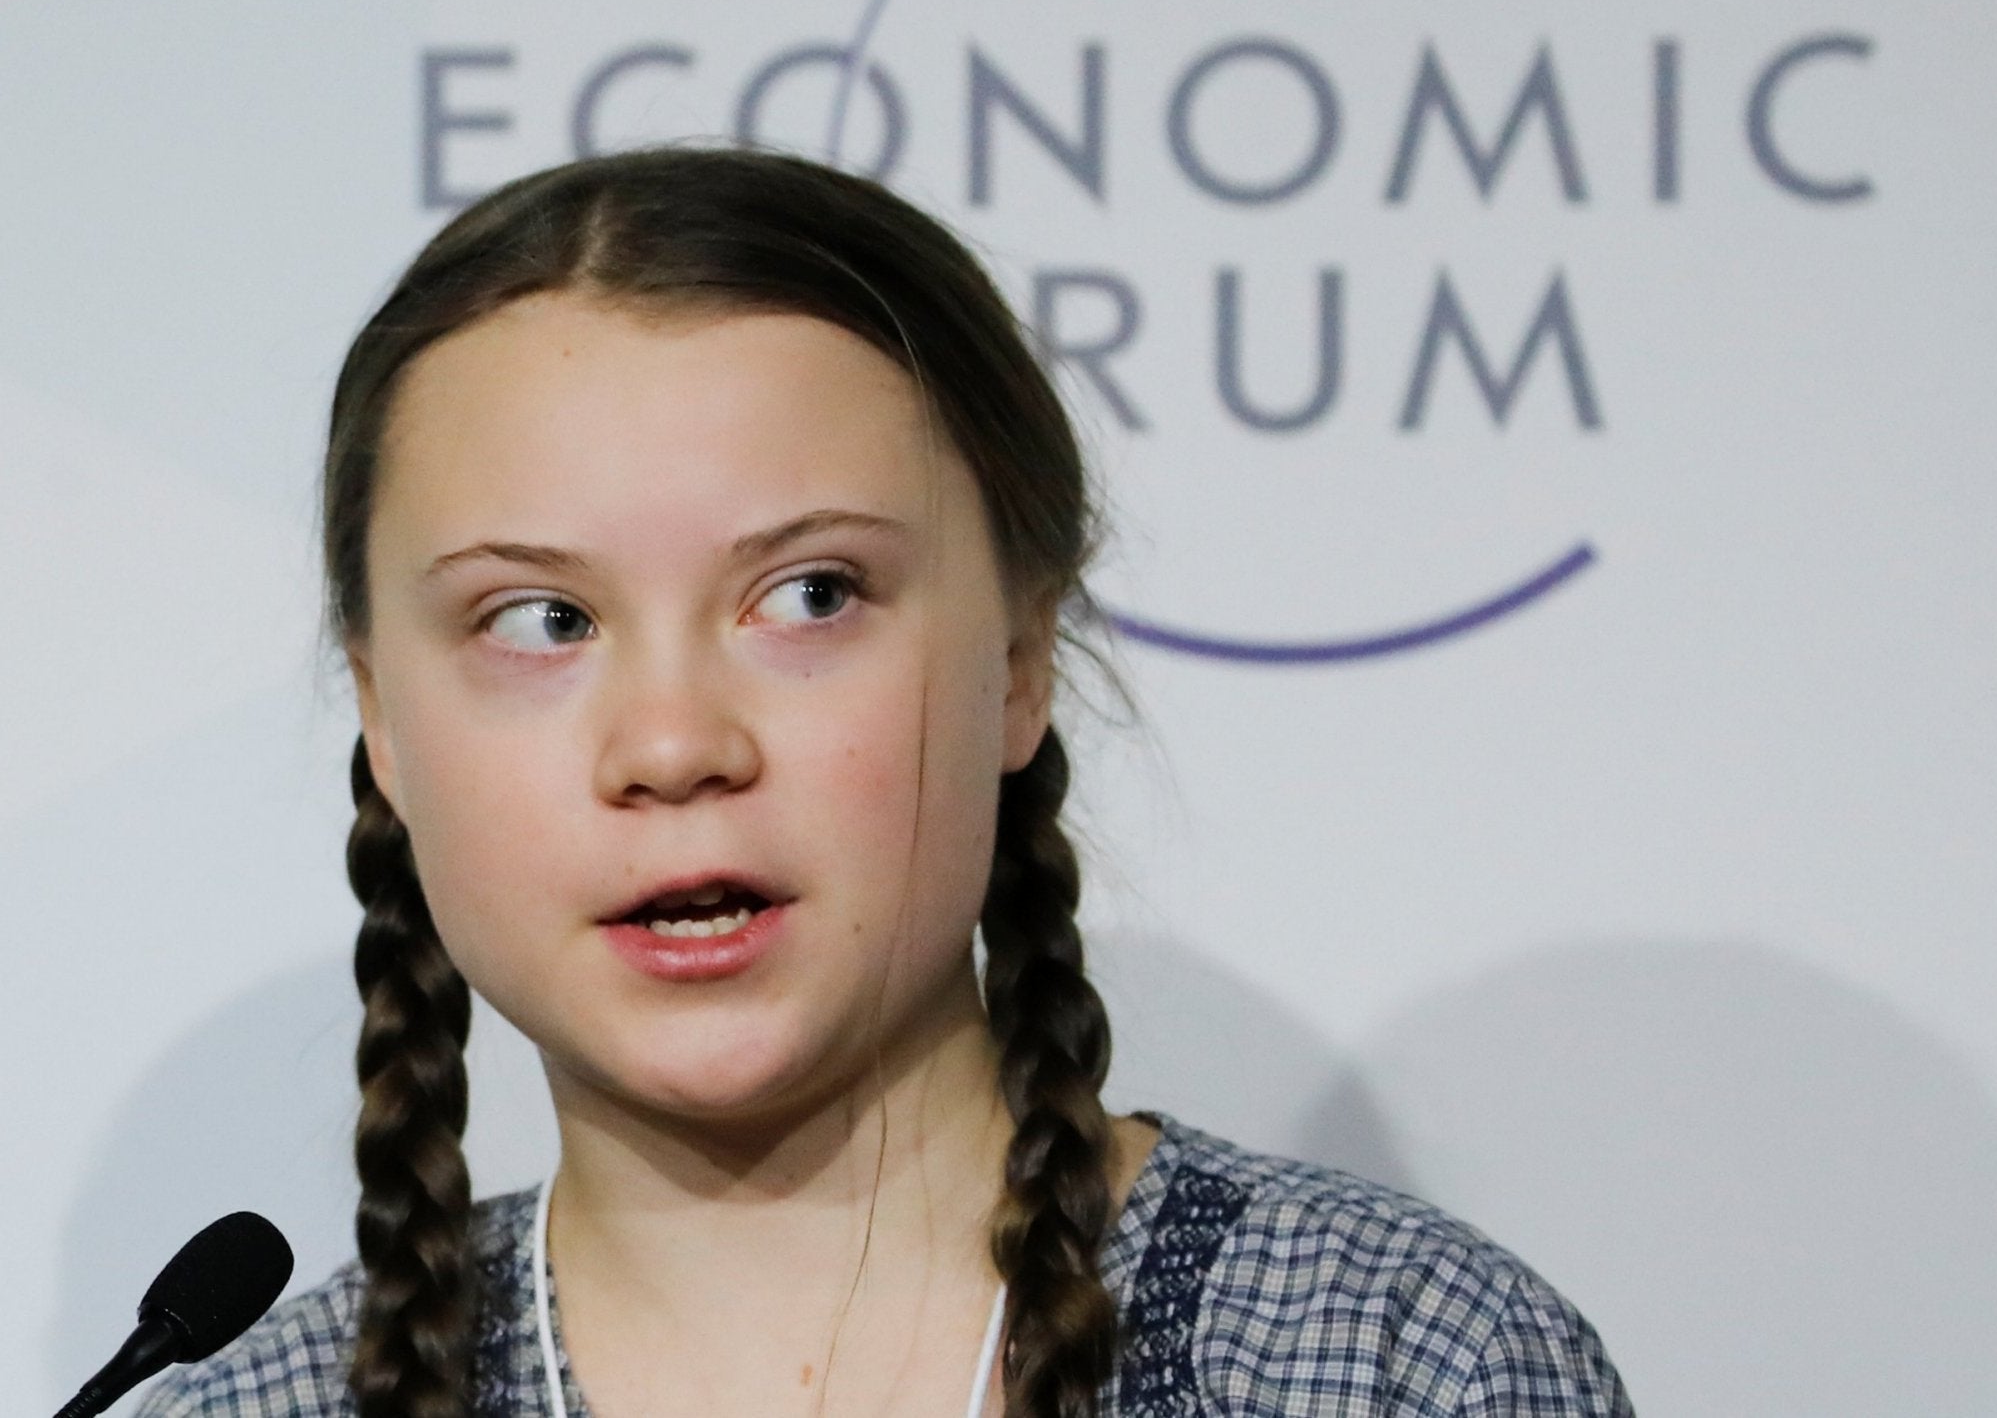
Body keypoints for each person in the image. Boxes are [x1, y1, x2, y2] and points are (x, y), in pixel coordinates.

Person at [138, 148, 1634, 1418]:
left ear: (1017, 660)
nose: (672, 746)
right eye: (543, 621)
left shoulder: (1387, 1363)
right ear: (385, 717)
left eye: (810, 595)